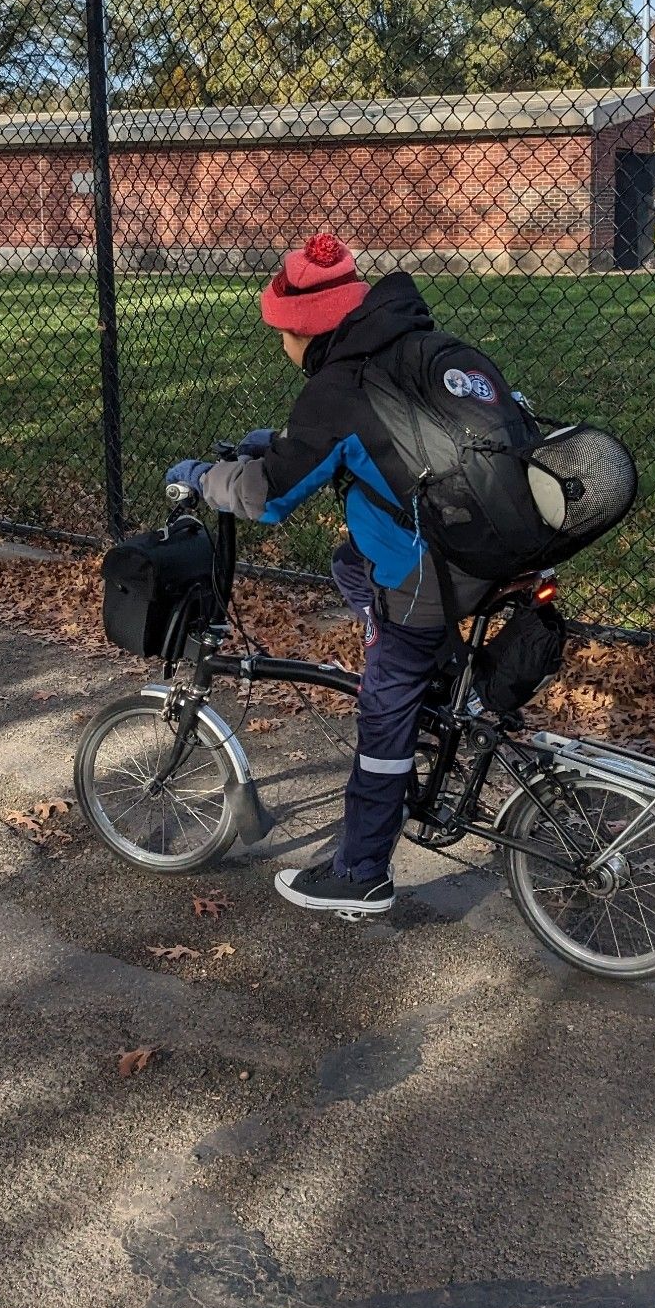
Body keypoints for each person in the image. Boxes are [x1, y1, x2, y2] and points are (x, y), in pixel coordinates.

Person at [167, 232, 491, 920]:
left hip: (426, 575)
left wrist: (200, 478)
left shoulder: (336, 387)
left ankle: (361, 873)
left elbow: (264, 499)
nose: (280, 348)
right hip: (492, 546)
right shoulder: (417, 351)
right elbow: (375, 446)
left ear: (304, 330)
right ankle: (431, 674)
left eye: (280, 334)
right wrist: (277, 445)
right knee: (349, 563)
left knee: (383, 712)